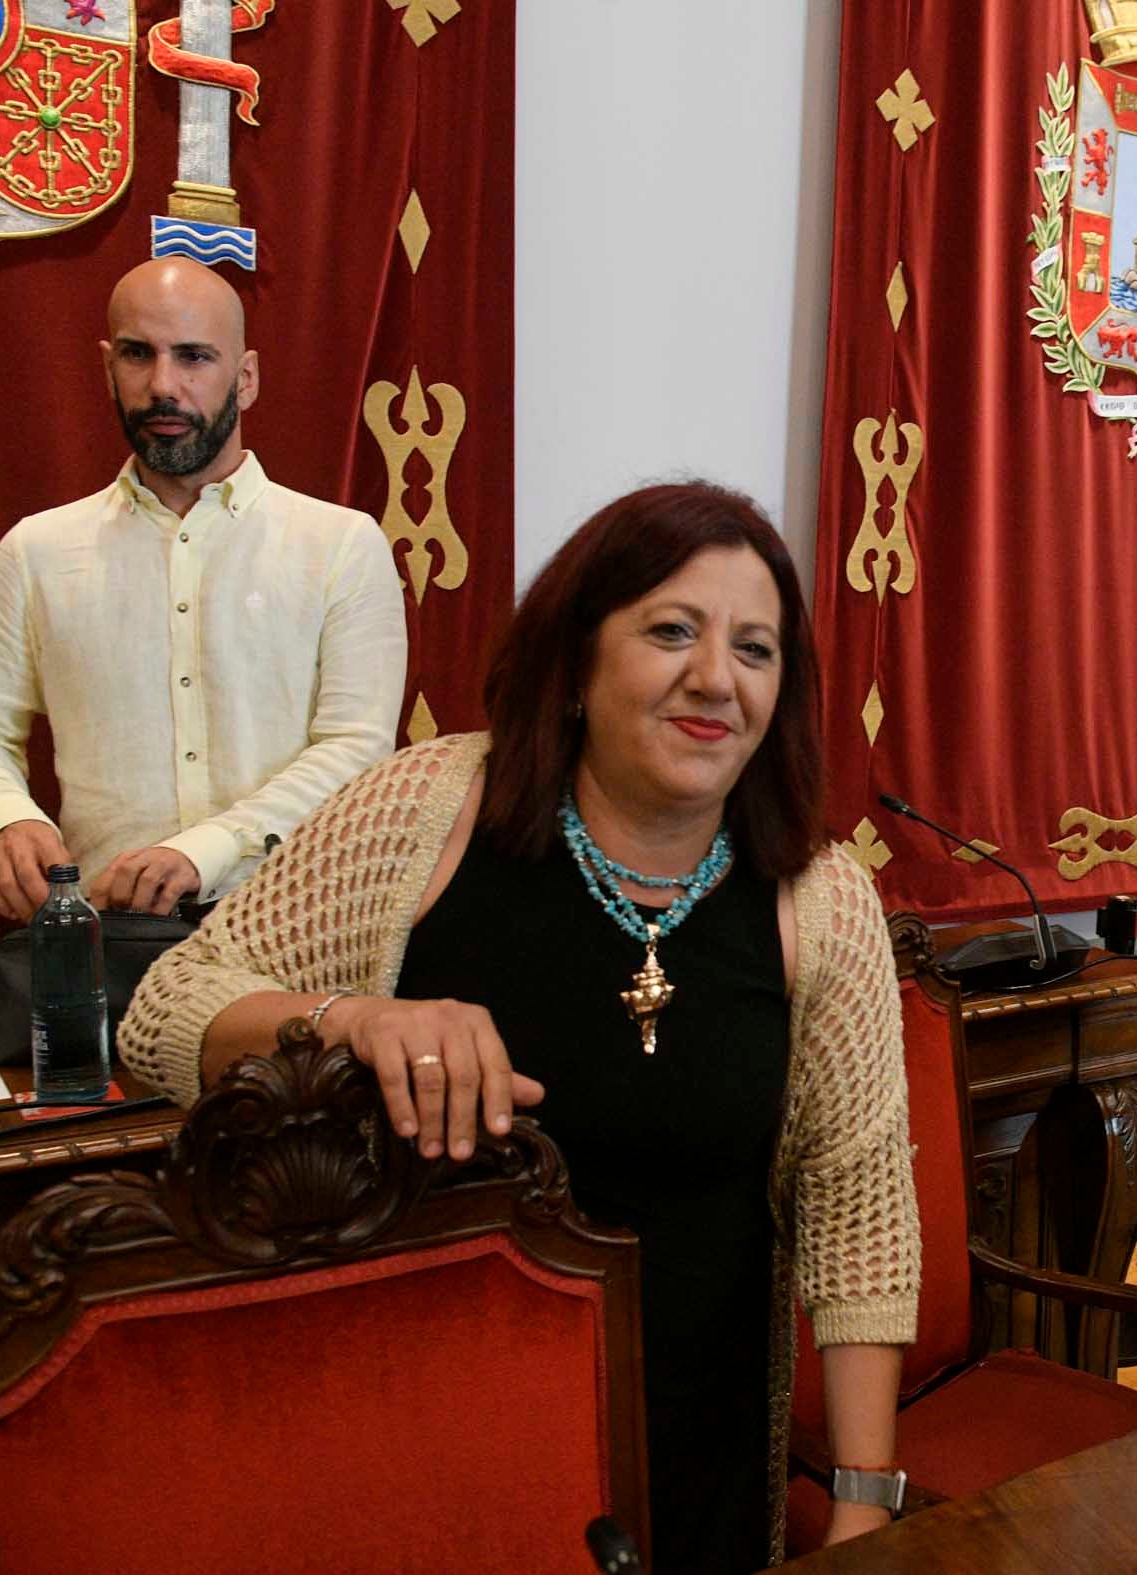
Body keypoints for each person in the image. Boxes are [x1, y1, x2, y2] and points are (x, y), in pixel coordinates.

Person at [120, 482, 918, 1569]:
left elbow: (858, 1206)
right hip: (434, 1452)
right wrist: (351, 1021)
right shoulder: (422, 815)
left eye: (756, 650)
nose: (715, 680)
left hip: (699, 1462)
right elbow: (161, 1011)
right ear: (578, 660)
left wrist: (867, 1506)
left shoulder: (820, 899)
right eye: (671, 631)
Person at [0, 258, 407, 922]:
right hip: (107, 944)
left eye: (194, 357)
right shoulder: (35, 552)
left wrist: (202, 852)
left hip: (297, 936)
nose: (162, 385)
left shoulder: (342, 546)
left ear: (245, 378)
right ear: (107, 368)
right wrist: (1, 819)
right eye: (137, 354)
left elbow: (357, 750)